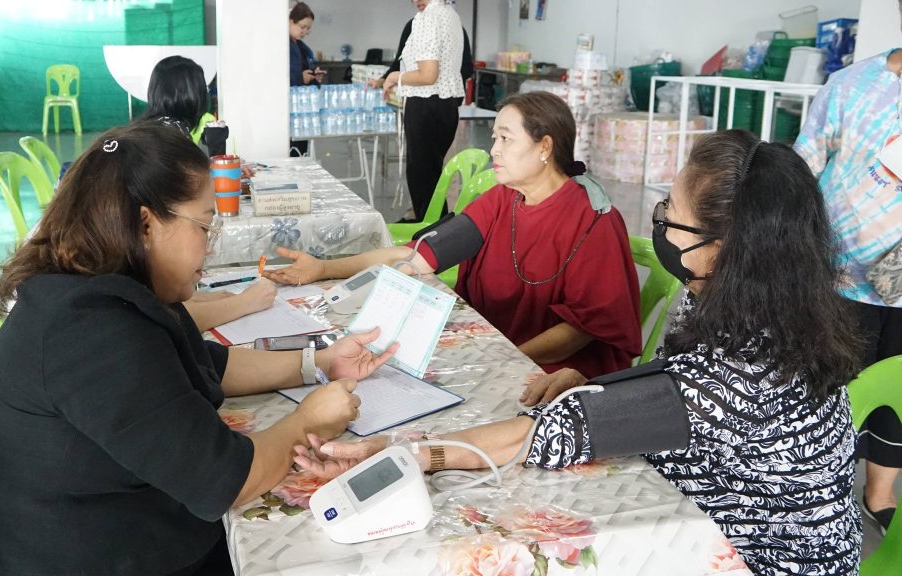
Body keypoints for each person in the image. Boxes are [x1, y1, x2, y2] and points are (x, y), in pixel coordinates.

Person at [296, 130, 865, 576]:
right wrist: (608, 389)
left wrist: (401, 453)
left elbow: (548, 432)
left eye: (672, 215)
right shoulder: (766, 303)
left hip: (759, 561)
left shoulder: (739, 374)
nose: (661, 221)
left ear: (721, 249)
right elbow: (676, 389)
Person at [0, 123, 398, 575]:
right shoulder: (91, 331)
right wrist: (310, 420)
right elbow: (229, 481)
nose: (209, 247)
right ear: (146, 224)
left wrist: (322, 362)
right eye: (205, 226)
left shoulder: (96, 292)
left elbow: (206, 363)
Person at [267, 92, 641, 380]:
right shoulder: (502, 199)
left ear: (544, 146)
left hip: (555, 372)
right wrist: (324, 269)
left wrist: (503, 358)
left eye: (506, 139)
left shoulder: (594, 220)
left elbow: (580, 330)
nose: (494, 149)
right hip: (494, 352)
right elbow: (415, 257)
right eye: (495, 137)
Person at [794, 43, 902, 536]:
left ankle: (879, 493)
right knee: (829, 390)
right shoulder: (850, 86)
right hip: (838, 277)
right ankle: (822, 487)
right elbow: (804, 167)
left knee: (898, 392)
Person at [141, 55, 271, 329]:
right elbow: (173, 320)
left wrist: (209, 299)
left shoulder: (151, 131)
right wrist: (247, 302)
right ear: (195, 95)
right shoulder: (173, 140)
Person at [384, 0, 466, 222]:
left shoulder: (427, 18)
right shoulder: (451, 16)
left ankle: (433, 236)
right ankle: (439, 233)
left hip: (425, 105)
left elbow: (428, 75)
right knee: (432, 180)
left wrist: (395, 77)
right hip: (447, 106)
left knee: (423, 182)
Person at [289, 2, 323, 156]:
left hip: (303, 107)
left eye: (308, 29)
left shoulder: (302, 48)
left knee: (302, 151)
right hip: (290, 109)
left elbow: (305, 69)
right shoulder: (282, 47)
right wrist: (300, 78)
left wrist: (314, 76)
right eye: (302, 27)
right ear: (291, 21)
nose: (305, 32)